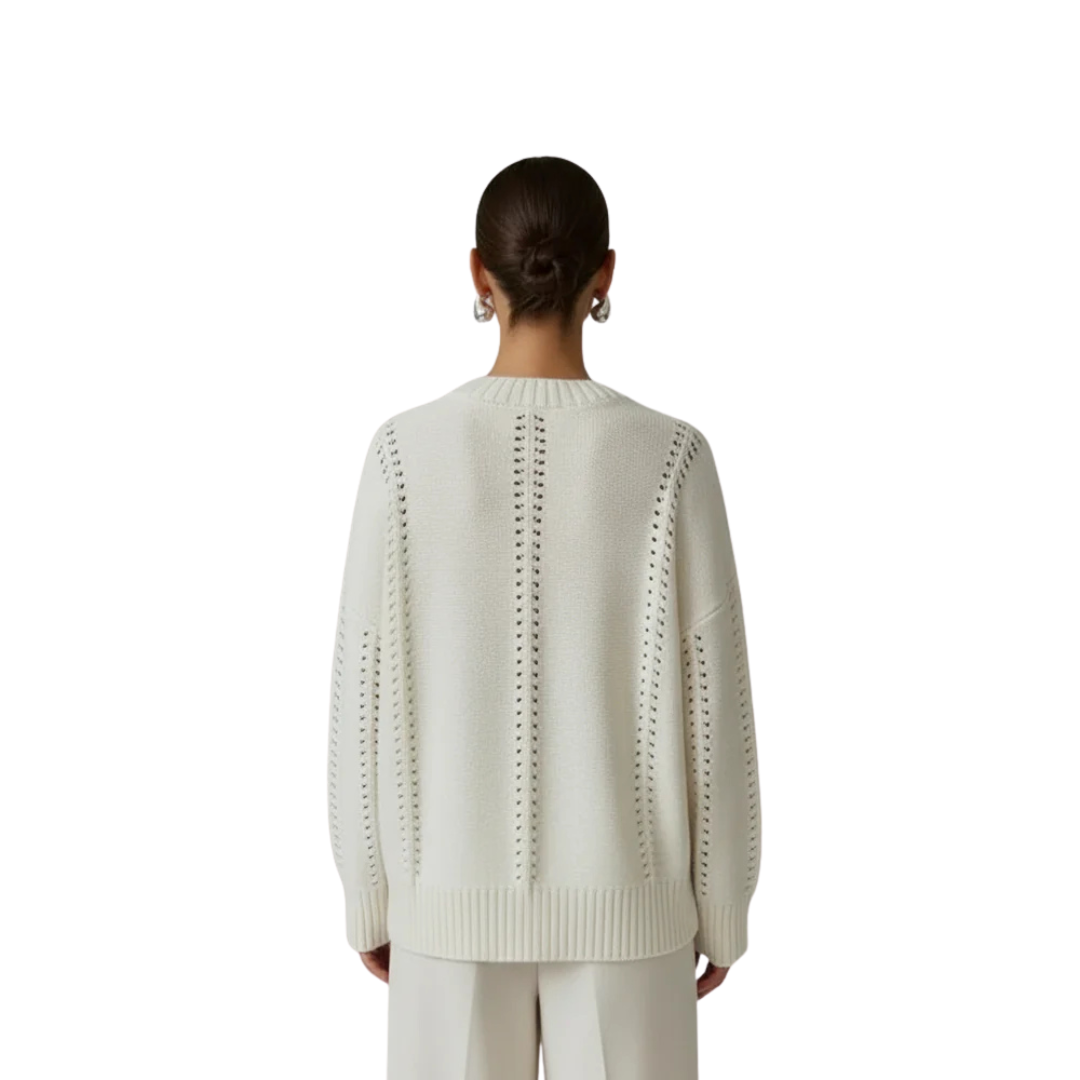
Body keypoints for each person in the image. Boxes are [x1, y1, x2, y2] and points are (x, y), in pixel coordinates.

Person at [327, 155, 762, 1080]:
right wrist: (724, 909)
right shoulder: (673, 458)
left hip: (443, 920)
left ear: (477, 273)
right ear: (605, 275)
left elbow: (360, 695)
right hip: (632, 927)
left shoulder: (402, 455)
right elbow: (715, 711)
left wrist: (368, 896)